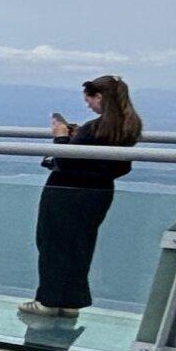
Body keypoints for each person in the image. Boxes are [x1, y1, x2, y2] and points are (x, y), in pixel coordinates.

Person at [23, 74, 143, 319]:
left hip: (65, 193)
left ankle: (47, 300)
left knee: (52, 243)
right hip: (98, 194)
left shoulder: (94, 128)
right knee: (80, 245)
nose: (88, 105)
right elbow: (111, 166)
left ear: (99, 97)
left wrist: (61, 137)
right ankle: (71, 302)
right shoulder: (126, 128)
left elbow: (67, 160)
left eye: (89, 99)